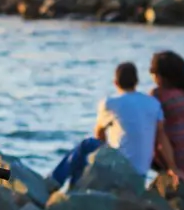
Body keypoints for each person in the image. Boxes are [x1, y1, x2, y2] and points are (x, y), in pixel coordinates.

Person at [50, 60, 176, 190]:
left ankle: (58, 182)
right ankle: (73, 188)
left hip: (119, 171)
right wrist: (172, 168)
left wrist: (106, 151)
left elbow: (99, 134)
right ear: (136, 82)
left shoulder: (110, 103)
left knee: (86, 146)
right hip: (140, 176)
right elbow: (162, 139)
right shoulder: (153, 103)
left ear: (115, 82)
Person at [150, 51, 184, 192]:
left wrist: (173, 167)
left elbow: (158, 134)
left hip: (170, 156)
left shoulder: (157, 95)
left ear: (160, 75)